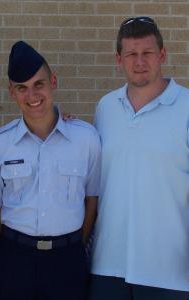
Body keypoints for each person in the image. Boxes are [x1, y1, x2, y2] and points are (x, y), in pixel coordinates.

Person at [0, 40, 101, 300]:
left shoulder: (86, 139)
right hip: (13, 259)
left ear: (53, 82)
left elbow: (92, 200)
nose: (32, 96)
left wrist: (74, 245)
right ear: (12, 91)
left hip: (66, 261)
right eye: (22, 88)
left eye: (39, 84)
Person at [88, 17, 189, 300]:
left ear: (162, 54)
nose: (140, 61)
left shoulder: (186, 107)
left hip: (170, 271)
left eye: (147, 53)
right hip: (108, 266)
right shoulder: (106, 107)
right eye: (132, 54)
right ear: (119, 59)